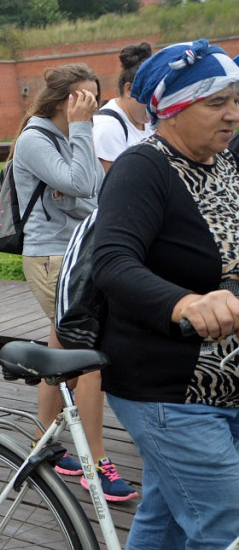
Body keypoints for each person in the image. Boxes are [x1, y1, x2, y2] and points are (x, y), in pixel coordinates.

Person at [92, 39, 239, 547]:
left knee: (167, 516)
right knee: (225, 524)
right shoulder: (144, 168)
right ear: (174, 108)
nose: (232, 115)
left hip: (224, 383)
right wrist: (186, 303)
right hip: (169, 387)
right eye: (216, 102)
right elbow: (110, 261)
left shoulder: (221, 164)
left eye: (236, 101)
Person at [11, 63, 136, 502]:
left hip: (75, 253)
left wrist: (76, 187)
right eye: (83, 97)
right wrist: (83, 131)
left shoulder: (66, 137)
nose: (91, 105)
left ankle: (44, 442)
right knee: (90, 356)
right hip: (51, 258)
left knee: (60, 348)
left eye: (94, 97)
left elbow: (92, 191)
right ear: (63, 98)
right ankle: (95, 463)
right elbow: (83, 183)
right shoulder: (35, 138)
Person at [93, 42, 153, 171]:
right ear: (129, 90)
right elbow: (112, 187)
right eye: (149, 97)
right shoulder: (107, 128)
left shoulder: (151, 121)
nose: (155, 106)